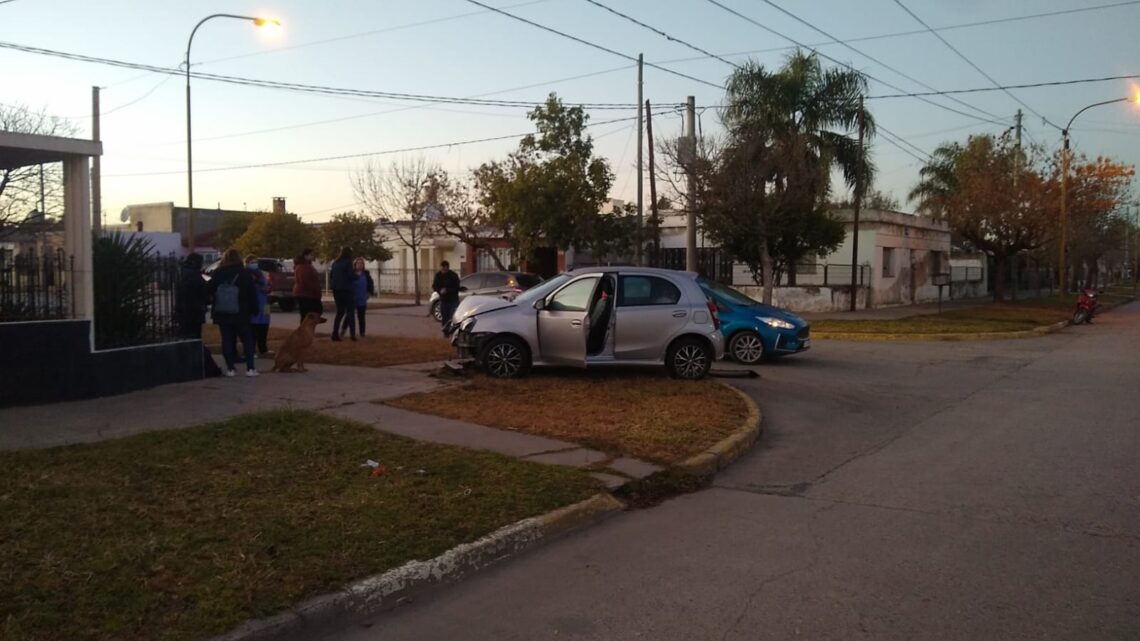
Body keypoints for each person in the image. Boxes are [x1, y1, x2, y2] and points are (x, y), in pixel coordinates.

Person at [207, 248, 259, 377]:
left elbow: (209, 290)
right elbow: (251, 293)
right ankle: (250, 368)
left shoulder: (218, 272)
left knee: (227, 340)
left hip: (223, 312)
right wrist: (254, 309)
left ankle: (231, 369)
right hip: (241, 311)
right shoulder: (244, 273)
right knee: (247, 340)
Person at [245, 255, 273, 358]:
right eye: (252, 262)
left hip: (265, 303)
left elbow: (267, 285)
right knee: (253, 328)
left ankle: (263, 348)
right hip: (255, 303)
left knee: (265, 326)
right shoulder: (247, 274)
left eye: (255, 262)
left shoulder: (261, 273)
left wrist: (269, 287)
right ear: (247, 263)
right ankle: (251, 350)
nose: (254, 264)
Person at [175, 252, 207, 339]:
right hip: (195, 310)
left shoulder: (182, 273)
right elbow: (203, 291)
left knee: (186, 334)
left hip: (183, 309)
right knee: (194, 335)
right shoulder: (195, 275)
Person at [341, 257, 375, 338]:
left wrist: (369, 293)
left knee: (361, 317)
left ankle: (362, 333)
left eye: (361, 263)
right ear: (355, 265)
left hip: (362, 298)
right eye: (358, 263)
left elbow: (370, 284)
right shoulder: (351, 274)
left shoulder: (366, 274)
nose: (360, 265)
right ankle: (343, 330)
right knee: (349, 316)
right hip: (352, 298)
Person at [329, 246, 357, 341]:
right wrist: (357, 276)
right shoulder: (347, 263)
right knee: (350, 312)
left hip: (337, 290)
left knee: (340, 312)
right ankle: (352, 335)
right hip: (346, 289)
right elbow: (351, 275)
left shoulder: (335, 263)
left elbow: (331, 275)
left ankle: (335, 333)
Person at [293, 248, 322, 322]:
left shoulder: (307, 265)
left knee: (311, 313)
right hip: (305, 294)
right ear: (306, 256)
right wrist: (314, 289)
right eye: (311, 255)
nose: (313, 256)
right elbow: (304, 281)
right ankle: (304, 331)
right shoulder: (303, 266)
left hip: (309, 294)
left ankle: (306, 329)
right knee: (307, 314)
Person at [432, 260, 461, 332]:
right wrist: (439, 290)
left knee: (452, 316)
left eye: (444, 269)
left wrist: (447, 290)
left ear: (447, 268)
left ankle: (452, 331)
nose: (443, 271)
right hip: (443, 300)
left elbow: (457, 287)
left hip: (453, 299)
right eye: (442, 269)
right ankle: (445, 331)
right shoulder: (438, 275)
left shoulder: (453, 275)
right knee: (444, 316)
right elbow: (434, 286)